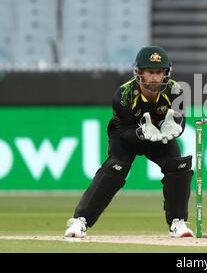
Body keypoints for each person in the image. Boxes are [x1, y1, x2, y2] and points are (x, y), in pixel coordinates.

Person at [64, 46, 194, 238]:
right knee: (116, 167)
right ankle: (80, 220)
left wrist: (174, 129)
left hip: (158, 137)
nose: (155, 78)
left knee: (179, 166)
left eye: (159, 72)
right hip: (125, 136)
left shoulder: (176, 91)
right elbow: (124, 131)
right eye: (150, 72)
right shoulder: (123, 94)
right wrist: (141, 133)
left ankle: (178, 222)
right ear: (139, 72)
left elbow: (179, 123)